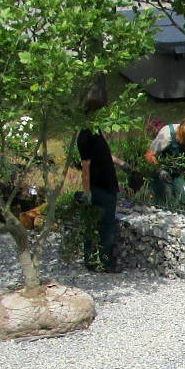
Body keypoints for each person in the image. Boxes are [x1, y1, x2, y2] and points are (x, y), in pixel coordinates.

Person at [75, 93, 122, 272]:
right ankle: (104, 263)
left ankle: (94, 260)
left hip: (107, 185)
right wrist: (87, 193)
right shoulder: (85, 136)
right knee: (104, 226)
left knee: (97, 225)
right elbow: (85, 166)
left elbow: (104, 155)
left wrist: (122, 164)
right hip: (100, 187)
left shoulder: (96, 131)